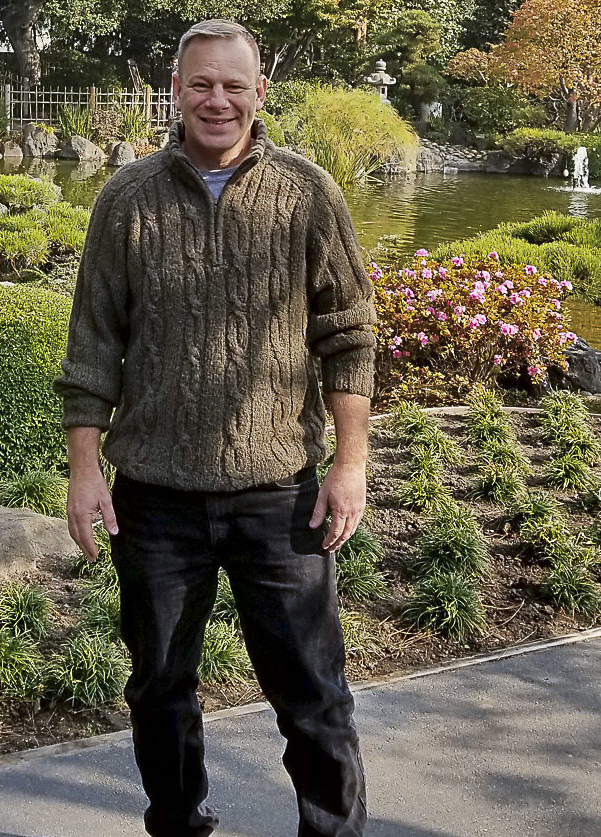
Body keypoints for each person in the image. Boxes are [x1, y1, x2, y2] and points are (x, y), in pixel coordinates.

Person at [54, 18, 375, 837]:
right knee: (159, 688)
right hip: (156, 498)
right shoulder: (126, 198)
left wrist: (349, 463)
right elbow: (93, 344)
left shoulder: (308, 194)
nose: (218, 100)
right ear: (176, 90)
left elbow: (349, 333)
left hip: (279, 498)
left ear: (260, 92)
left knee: (314, 695)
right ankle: (180, 823)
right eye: (201, 83)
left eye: (234, 84)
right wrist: (85, 469)